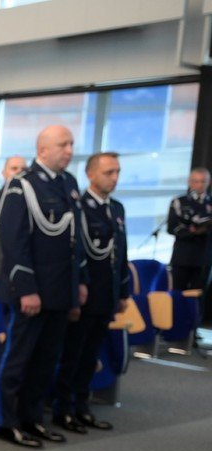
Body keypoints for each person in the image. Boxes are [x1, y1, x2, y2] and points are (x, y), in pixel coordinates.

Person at [0, 125, 84, 448]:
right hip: (31, 292)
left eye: (72, 144)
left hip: (59, 291)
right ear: (43, 149)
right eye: (64, 144)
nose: (70, 150)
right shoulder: (22, 186)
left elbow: (74, 242)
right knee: (18, 359)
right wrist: (27, 288)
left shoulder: (69, 184)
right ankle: (7, 422)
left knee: (46, 360)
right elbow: (14, 242)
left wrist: (78, 286)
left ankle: (33, 419)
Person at [52, 152, 129, 433]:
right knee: (72, 355)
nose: (115, 178)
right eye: (109, 172)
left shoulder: (117, 209)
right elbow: (75, 254)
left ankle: (82, 407)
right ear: (91, 174)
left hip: (106, 295)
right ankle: (63, 409)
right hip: (85, 294)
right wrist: (75, 292)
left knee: (91, 356)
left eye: (117, 172)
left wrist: (123, 291)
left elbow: (121, 254)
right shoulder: (79, 207)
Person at [167, 167, 211, 291]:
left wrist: (193, 226)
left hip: (204, 258)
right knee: (177, 295)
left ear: (208, 182)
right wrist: (194, 231)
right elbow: (172, 228)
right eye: (196, 181)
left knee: (199, 297)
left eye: (203, 181)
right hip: (182, 258)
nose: (200, 185)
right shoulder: (179, 202)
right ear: (189, 182)